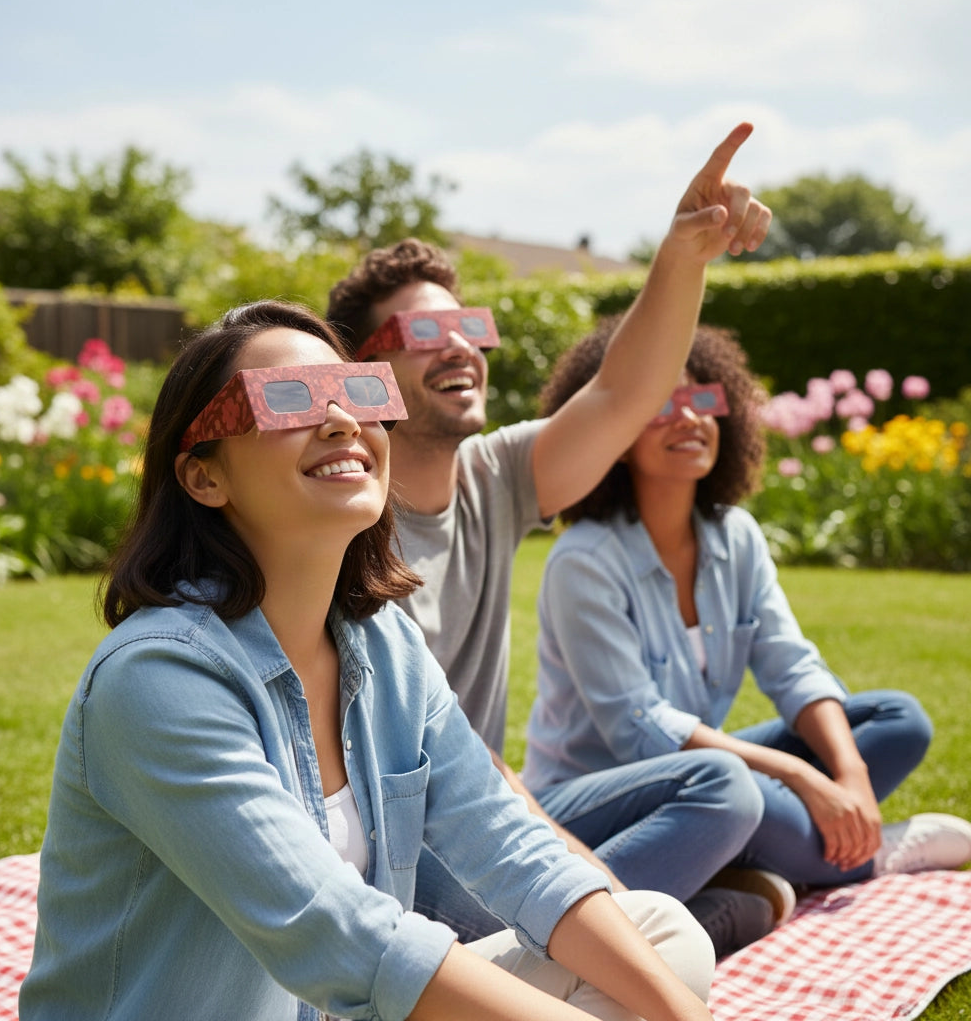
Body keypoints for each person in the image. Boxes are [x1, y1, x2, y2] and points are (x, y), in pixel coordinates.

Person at [18, 300, 718, 1021]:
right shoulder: (155, 681)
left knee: (663, 937)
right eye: (286, 399)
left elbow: (508, 843)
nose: (342, 420)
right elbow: (341, 934)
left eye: (358, 391)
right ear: (204, 478)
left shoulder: (382, 642)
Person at [327, 123, 790, 956]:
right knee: (530, 898)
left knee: (723, 788)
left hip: (495, 808)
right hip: (403, 844)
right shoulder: (338, 515)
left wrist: (685, 252)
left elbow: (622, 393)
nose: (462, 343)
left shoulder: (497, 476)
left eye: (468, 325)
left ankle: (564, 949)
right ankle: (653, 932)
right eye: (424, 334)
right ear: (362, 371)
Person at [523, 320, 971, 896]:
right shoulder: (583, 561)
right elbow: (638, 728)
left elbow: (790, 664)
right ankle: (862, 859)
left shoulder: (735, 535)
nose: (688, 418)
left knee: (897, 720)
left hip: (702, 772)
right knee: (737, 785)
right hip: (591, 798)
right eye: (660, 403)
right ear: (614, 424)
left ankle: (751, 856)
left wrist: (850, 775)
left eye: (700, 399)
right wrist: (802, 775)